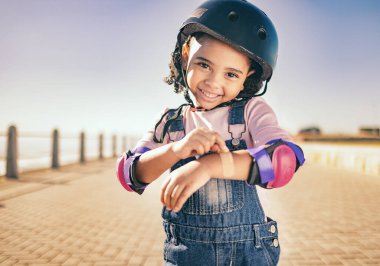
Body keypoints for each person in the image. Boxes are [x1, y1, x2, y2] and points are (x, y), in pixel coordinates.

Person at [117, 0, 305, 265]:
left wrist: (209, 166)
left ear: (248, 76)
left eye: (231, 74)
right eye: (204, 64)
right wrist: (175, 150)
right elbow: (128, 174)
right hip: (184, 255)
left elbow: (284, 162)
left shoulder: (251, 112)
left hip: (246, 255)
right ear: (185, 55)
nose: (213, 82)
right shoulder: (170, 123)